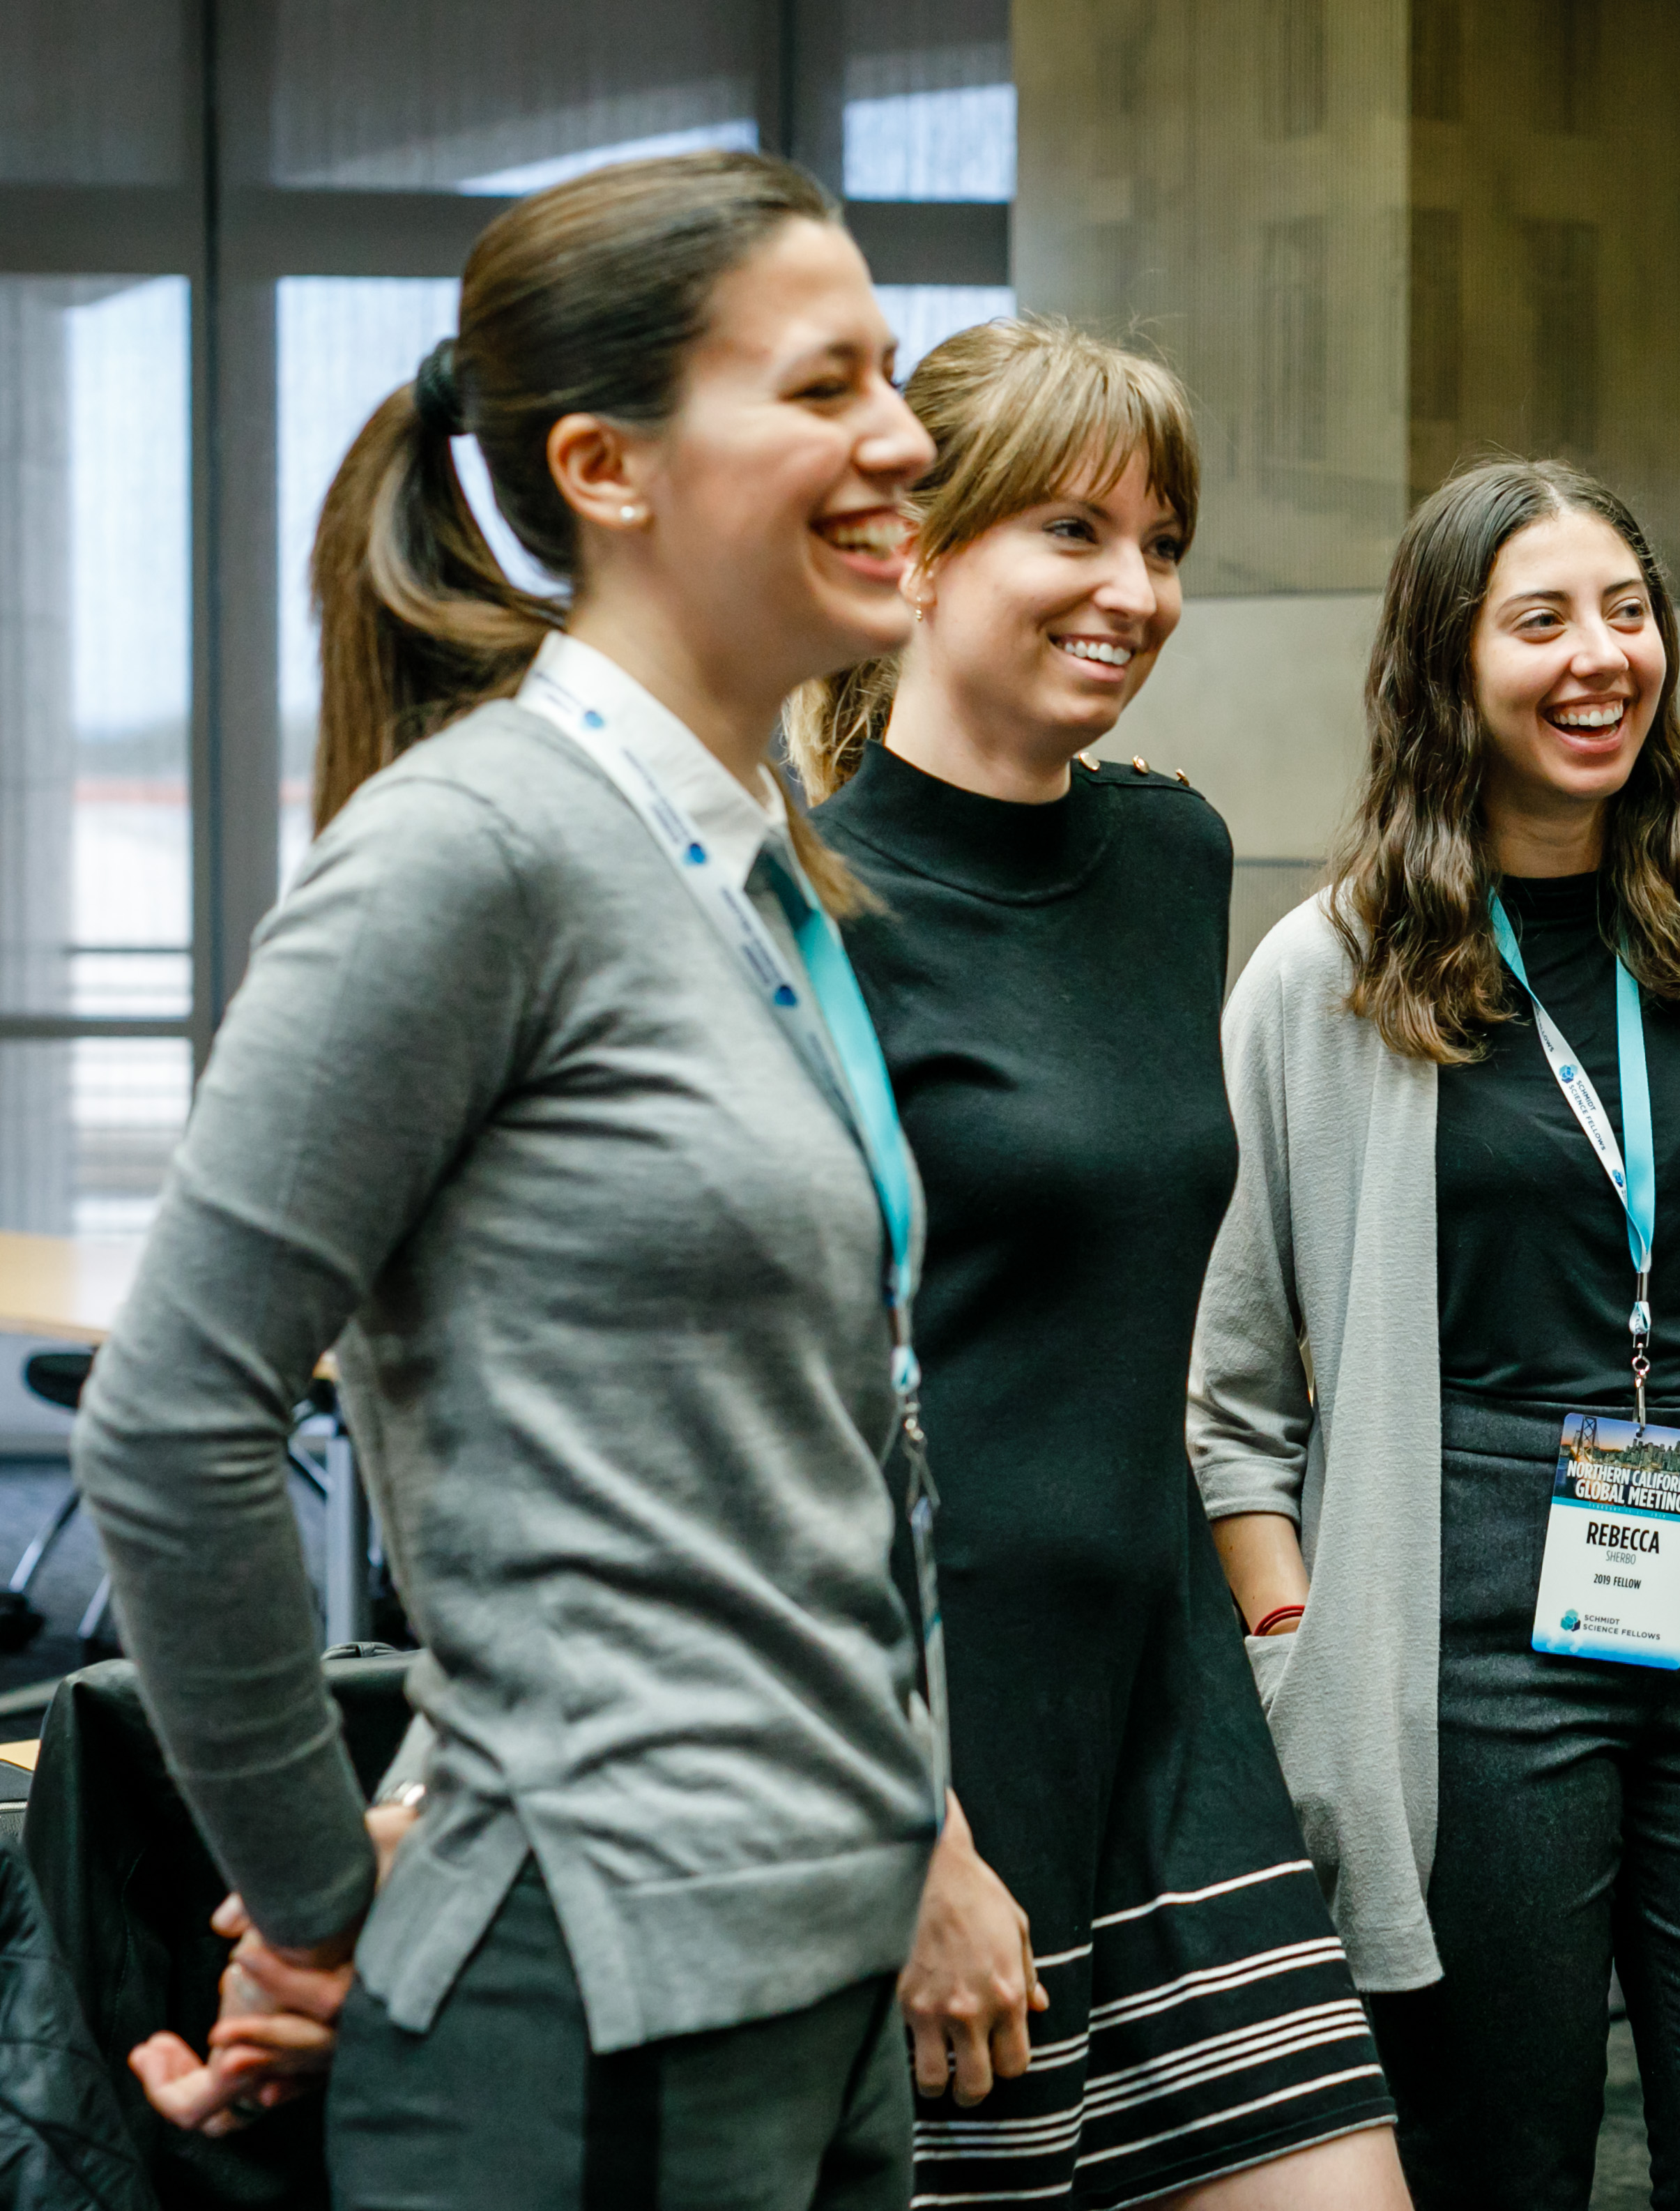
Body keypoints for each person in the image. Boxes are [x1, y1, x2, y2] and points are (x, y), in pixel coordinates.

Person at [67, 151, 948, 2202]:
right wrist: (312, 1898)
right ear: (604, 466)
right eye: (823, 386)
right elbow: (174, 1417)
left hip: (810, 1966)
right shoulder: (470, 851)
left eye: (889, 374)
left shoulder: (746, 858)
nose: (903, 437)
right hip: (599, 1979)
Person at [1191, 458, 1680, 2208]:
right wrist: (1301, 1620)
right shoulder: (1329, 973)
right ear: (1443, 666)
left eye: (1626, 611)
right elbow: (1230, 1391)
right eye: (1540, 620)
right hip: (1457, 1587)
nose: (1599, 656)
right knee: (1491, 2161)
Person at [791, 317, 1405, 2208]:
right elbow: (777, 1427)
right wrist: (912, 1831)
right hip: (933, 1711)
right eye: (1072, 533)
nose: (1133, 592)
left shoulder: (1170, 856)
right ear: (917, 550)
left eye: (1162, 545)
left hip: (1164, 1688)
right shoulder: (798, 903)